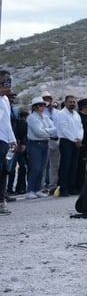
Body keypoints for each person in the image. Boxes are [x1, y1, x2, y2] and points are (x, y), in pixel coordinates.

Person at [53, 95, 84, 196]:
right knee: (65, 166)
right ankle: (63, 188)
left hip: (76, 142)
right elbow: (63, 129)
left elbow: (80, 128)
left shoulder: (76, 115)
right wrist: (74, 139)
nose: (72, 104)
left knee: (74, 166)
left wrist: (79, 138)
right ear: (65, 103)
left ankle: (72, 187)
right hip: (66, 142)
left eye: (74, 102)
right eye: (70, 102)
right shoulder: (61, 114)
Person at [26, 97, 56, 199]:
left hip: (44, 143)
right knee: (35, 168)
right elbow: (38, 132)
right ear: (35, 107)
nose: (42, 107)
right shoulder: (31, 118)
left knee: (42, 168)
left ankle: (38, 189)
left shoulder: (46, 117)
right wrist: (49, 132)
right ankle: (30, 190)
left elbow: (54, 129)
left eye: (43, 105)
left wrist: (45, 131)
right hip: (35, 144)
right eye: (40, 105)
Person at [0, 71, 16, 213]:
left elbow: (6, 122)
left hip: (4, 140)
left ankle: (1, 199)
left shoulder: (5, 100)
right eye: (5, 83)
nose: (8, 87)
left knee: (4, 170)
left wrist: (12, 139)